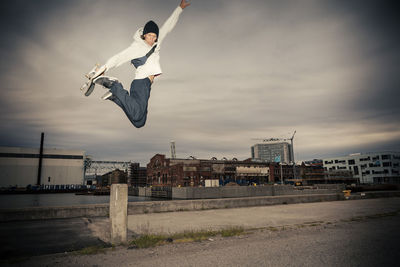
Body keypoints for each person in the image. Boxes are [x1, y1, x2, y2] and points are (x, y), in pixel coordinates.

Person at [83, 0, 190, 128]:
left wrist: (180, 8)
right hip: (142, 83)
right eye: (149, 35)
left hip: (144, 85)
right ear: (144, 35)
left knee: (139, 122)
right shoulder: (137, 48)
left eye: (154, 36)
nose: (152, 39)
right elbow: (119, 57)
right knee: (138, 115)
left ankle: (115, 96)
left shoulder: (156, 44)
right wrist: (104, 68)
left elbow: (167, 27)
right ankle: (115, 86)